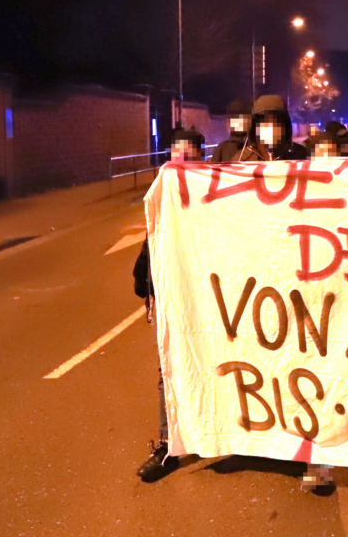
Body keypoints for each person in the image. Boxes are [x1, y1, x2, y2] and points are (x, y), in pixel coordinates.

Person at [135, 126, 203, 483]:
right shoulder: (162, 194)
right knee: (169, 369)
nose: (184, 162)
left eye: (192, 156)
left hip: (209, 298)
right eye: (178, 155)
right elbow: (153, 237)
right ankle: (168, 445)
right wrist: (143, 277)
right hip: (172, 295)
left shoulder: (215, 194)